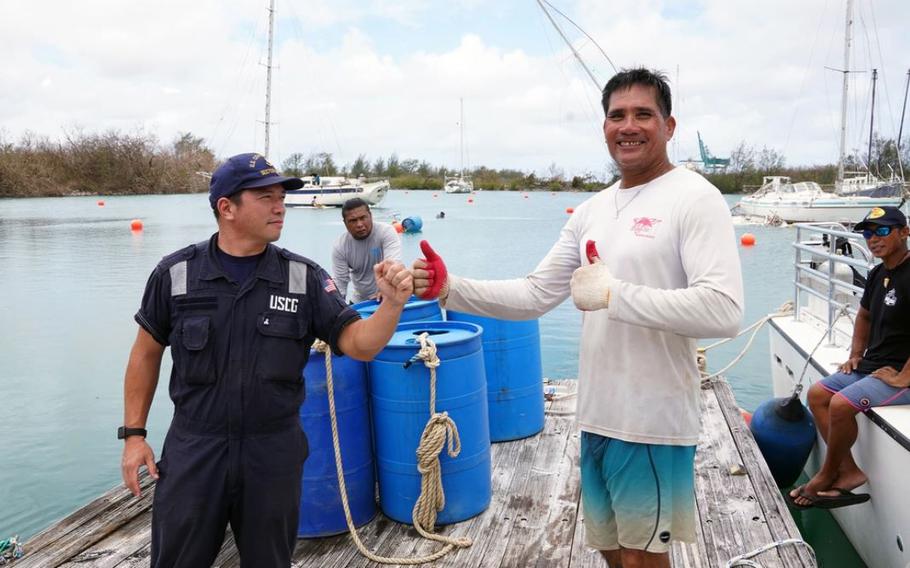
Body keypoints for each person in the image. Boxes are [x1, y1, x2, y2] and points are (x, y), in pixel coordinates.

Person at [413, 68, 743, 568]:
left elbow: (723, 310)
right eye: (616, 116)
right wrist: (451, 287)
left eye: (643, 115)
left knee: (642, 561)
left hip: (652, 420)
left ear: (669, 126)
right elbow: (534, 294)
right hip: (598, 415)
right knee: (611, 553)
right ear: (604, 126)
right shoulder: (591, 209)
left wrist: (615, 294)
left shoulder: (694, 197)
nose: (627, 126)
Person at [119, 153, 413, 568]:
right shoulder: (176, 274)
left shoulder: (303, 277)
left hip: (272, 451)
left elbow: (359, 344)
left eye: (281, 196)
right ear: (227, 208)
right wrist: (134, 435)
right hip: (195, 449)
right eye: (265, 197)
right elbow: (145, 353)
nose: (280, 206)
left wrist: (391, 305)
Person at [789, 206, 910, 509]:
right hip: (874, 365)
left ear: (904, 232)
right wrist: (856, 354)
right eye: (868, 233)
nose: (873, 239)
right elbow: (865, 316)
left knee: (841, 404)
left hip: (899, 373)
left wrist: (903, 377)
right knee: (818, 394)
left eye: (882, 231)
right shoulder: (878, 273)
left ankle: (827, 476)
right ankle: (849, 470)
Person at [331, 198, 402, 303]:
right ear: (345, 223)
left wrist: (385, 289)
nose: (359, 224)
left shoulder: (386, 232)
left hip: (388, 297)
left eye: (363, 218)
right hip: (361, 303)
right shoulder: (340, 246)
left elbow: (393, 265)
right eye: (353, 220)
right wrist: (336, 306)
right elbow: (340, 282)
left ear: (371, 216)